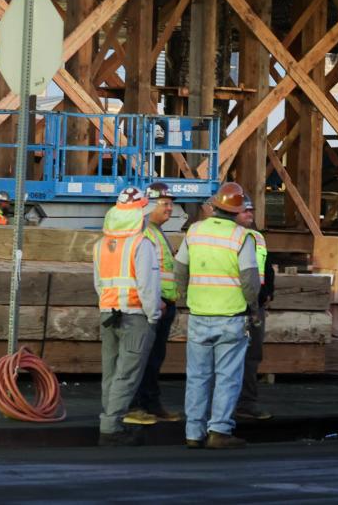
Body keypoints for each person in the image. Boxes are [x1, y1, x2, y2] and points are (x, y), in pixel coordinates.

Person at [175, 181, 259, 450]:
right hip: (231, 316)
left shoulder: (195, 231)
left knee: (197, 376)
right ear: (237, 211)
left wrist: (183, 299)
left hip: (199, 314)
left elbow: (180, 270)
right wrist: (253, 308)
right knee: (227, 376)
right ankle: (219, 430)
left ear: (216, 206)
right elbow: (249, 279)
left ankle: (193, 432)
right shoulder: (241, 237)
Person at [93, 186, 162, 446]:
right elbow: (147, 286)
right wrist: (153, 316)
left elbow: (99, 284)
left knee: (110, 371)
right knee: (127, 373)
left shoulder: (102, 245)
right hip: (135, 316)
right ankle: (111, 428)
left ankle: (109, 422)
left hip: (108, 314)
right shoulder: (141, 245)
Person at [125, 182, 182, 425]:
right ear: (149, 206)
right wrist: (155, 301)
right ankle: (135, 404)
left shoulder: (156, 232)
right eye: (165, 204)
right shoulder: (145, 232)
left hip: (163, 304)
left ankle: (150, 403)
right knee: (143, 359)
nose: (170, 209)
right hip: (152, 305)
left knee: (154, 359)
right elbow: (144, 272)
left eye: (171, 204)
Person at [234, 194, 275, 422]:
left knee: (252, 356)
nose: (250, 215)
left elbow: (266, 266)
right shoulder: (232, 238)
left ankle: (246, 403)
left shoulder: (257, 237)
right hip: (234, 305)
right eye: (245, 211)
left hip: (255, 305)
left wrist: (268, 291)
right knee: (230, 358)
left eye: (251, 211)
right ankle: (227, 405)